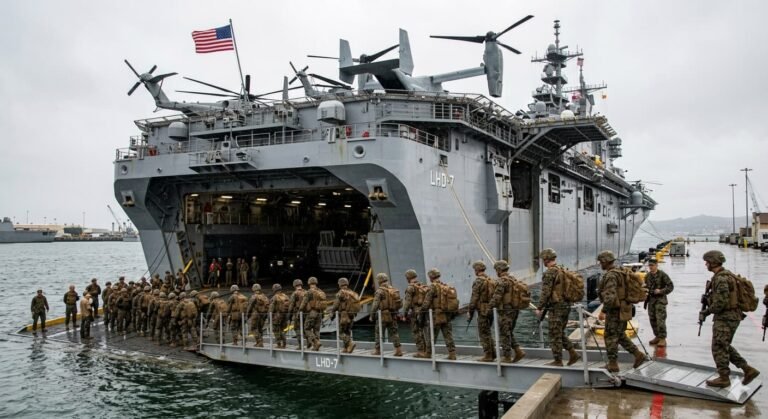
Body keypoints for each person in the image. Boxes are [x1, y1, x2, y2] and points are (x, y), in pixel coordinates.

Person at [699, 250, 760, 387]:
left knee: (718, 347)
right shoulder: (726, 276)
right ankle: (747, 370)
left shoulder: (721, 278)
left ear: (713, 262)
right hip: (731, 316)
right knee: (723, 345)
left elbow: (721, 303)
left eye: (707, 262)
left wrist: (706, 312)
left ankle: (724, 378)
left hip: (726, 317)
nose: (706, 264)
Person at [597, 250, 646, 373]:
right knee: (619, 335)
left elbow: (610, 296)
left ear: (605, 262)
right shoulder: (621, 271)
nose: (600, 264)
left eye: (601, 262)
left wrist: (603, 311)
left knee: (610, 336)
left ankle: (613, 364)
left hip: (615, 311)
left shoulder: (611, 275)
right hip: (624, 309)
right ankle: (638, 354)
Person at [536, 249, 581, 366]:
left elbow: (546, 292)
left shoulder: (549, 273)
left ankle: (558, 360)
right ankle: (573, 353)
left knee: (554, 333)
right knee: (559, 332)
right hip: (566, 305)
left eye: (543, 259)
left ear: (546, 259)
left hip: (556, 307)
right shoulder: (562, 269)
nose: (543, 262)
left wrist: (539, 307)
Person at [489, 260, 526, 363]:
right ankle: (518, 351)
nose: (496, 272)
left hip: (506, 311)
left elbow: (497, 297)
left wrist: (489, 307)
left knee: (504, 333)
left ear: (499, 270)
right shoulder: (513, 279)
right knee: (508, 332)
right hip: (514, 310)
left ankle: (507, 357)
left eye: (496, 270)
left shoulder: (502, 281)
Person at [418, 268, 456, 360]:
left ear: (431, 277)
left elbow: (426, 302)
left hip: (436, 315)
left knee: (431, 335)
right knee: (448, 334)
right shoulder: (444, 286)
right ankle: (452, 354)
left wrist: (421, 312)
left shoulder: (432, 287)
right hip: (446, 314)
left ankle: (428, 353)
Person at [467, 260, 495, 362]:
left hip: (482, 310)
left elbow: (474, 298)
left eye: (475, 269)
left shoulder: (478, 281)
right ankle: (493, 353)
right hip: (491, 310)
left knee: (483, 333)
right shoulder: (490, 280)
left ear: (477, 270)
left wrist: (470, 312)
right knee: (488, 332)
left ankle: (488, 355)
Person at [370, 273, 403, 356]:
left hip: (383, 315)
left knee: (379, 332)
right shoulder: (393, 289)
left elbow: (375, 305)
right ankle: (398, 350)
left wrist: (372, 315)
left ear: (379, 280)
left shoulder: (380, 291)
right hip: (393, 314)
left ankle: (377, 350)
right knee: (394, 332)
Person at [645, 258, 674, 347]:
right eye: (650, 265)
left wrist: (661, 291)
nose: (651, 267)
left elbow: (670, 286)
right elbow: (646, 286)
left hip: (660, 300)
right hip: (651, 300)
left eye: (652, 265)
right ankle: (657, 336)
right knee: (652, 319)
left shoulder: (662, 275)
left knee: (660, 319)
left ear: (657, 265)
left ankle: (662, 338)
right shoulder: (647, 276)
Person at [402, 269, 429, 358]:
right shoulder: (421, 285)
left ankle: (421, 351)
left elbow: (407, 302)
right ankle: (427, 351)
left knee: (417, 332)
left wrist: (404, 314)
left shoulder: (410, 287)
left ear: (407, 278)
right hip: (424, 311)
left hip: (415, 312)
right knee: (424, 331)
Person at [329, 277, 357, 353]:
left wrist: (332, 313)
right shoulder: (352, 293)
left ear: (340, 284)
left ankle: (350, 343)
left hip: (344, 316)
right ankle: (346, 348)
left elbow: (336, 305)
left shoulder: (341, 293)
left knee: (341, 333)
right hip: (351, 316)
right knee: (347, 332)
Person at [299, 277, 326, 351]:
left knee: (307, 328)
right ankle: (316, 345)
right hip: (320, 313)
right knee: (316, 330)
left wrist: (300, 310)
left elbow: (304, 302)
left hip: (312, 313)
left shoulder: (309, 292)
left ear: (309, 283)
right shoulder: (320, 291)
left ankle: (315, 342)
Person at [288, 279, 307, 349]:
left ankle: (300, 346)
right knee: (306, 329)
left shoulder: (295, 293)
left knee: (297, 328)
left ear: (294, 285)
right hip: (306, 314)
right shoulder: (306, 292)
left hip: (298, 314)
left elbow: (291, 306)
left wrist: (289, 316)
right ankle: (309, 343)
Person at [269, 284, 289, 348]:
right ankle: (284, 343)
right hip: (285, 316)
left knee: (276, 330)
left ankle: (279, 344)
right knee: (282, 330)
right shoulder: (286, 296)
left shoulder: (274, 297)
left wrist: (269, 317)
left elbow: (271, 308)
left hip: (277, 317)